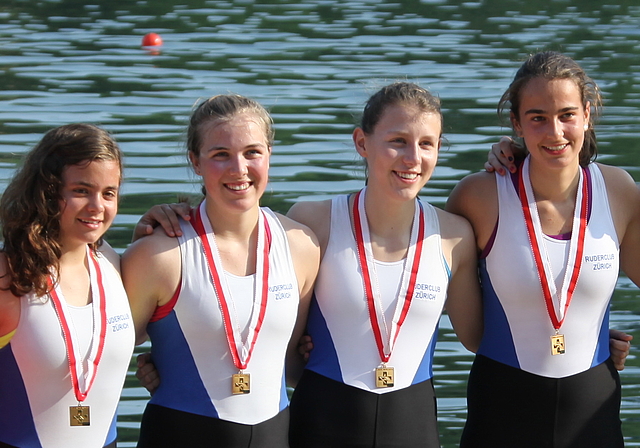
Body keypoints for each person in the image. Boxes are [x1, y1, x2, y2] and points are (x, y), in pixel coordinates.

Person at [446, 51, 640, 447]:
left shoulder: (619, 190)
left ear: (587, 114)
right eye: (537, 118)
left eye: (567, 114)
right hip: (502, 407)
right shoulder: (478, 196)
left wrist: (596, 335)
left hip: (594, 408)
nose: (554, 132)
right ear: (516, 123)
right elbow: (421, 287)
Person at [285, 82, 483, 447]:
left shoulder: (454, 236)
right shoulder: (313, 223)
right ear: (362, 142)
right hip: (320, 425)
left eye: (426, 144)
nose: (412, 158)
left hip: (413, 427)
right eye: (398, 141)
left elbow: (480, 339)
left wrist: (592, 335)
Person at [121, 94, 319, 447]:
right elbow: (109, 351)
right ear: (195, 162)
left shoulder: (302, 247)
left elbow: (292, 362)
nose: (238, 169)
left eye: (252, 152)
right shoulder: (157, 255)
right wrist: (154, 367)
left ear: (270, 154)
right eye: (220, 155)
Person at [0, 124, 134, 448]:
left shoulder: (113, 263)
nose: (97, 207)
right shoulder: (8, 275)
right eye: (81, 191)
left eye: (108, 193)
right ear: (47, 191)